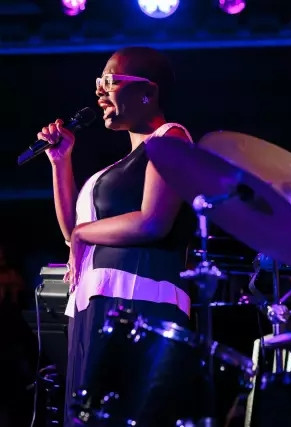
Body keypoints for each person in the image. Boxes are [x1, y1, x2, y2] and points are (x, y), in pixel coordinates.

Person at [37, 46, 203, 426]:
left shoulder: (170, 137)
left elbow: (153, 220)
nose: (99, 91)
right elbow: (72, 233)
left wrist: (83, 234)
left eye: (109, 81)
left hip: (139, 304)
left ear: (148, 91)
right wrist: (61, 162)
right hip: (97, 303)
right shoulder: (114, 170)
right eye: (98, 82)